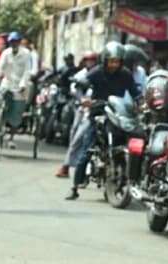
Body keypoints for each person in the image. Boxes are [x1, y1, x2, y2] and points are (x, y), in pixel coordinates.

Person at [65, 42, 140, 199]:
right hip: (98, 113)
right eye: (111, 61)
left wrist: (143, 103)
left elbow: (135, 93)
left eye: (117, 61)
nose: (114, 64)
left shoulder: (125, 74)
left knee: (133, 140)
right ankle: (75, 186)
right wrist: (83, 98)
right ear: (105, 60)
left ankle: (134, 181)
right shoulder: (97, 72)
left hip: (118, 113)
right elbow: (79, 86)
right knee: (87, 149)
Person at [56, 51, 98, 178]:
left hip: (101, 109)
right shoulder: (81, 75)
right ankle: (66, 165)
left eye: (92, 60)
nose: (90, 63)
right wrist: (83, 100)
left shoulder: (102, 74)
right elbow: (75, 89)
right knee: (76, 136)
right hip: (84, 110)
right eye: (88, 60)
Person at [0, 31, 32, 134]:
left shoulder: (26, 53)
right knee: (0, 99)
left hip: (19, 85)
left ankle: (12, 134)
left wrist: (23, 84)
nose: (14, 44)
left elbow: (27, 70)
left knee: (16, 113)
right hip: (7, 82)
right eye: (12, 42)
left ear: (19, 42)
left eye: (16, 41)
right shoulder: (6, 53)